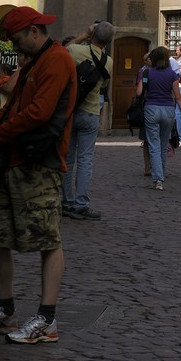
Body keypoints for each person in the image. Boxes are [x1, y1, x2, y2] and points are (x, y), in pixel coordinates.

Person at [0, 7, 77, 345]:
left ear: (32, 31)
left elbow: (39, 112)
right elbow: (13, 107)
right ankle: (4, 309)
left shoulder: (56, 60)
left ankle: (47, 318)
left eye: (15, 40)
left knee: (48, 238)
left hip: (39, 162)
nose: (14, 48)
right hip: (14, 162)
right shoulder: (32, 62)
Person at [60, 20, 113, 221]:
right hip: (91, 112)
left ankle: (67, 201)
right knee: (85, 160)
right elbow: (104, 84)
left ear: (93, 34)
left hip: (71, 110)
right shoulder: (108, 61)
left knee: (68, 157)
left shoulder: (75, 51)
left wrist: (84, 34)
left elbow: (61, 52)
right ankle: (81, 204)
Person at [137, 46, 181, 191]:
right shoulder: (172, 74)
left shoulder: (147, 72)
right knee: (163, 145)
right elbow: (178, 96)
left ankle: (158, 179)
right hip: (168, 109)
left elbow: (139, 93)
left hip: (151, 108)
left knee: (154, 145)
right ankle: (160, 175)